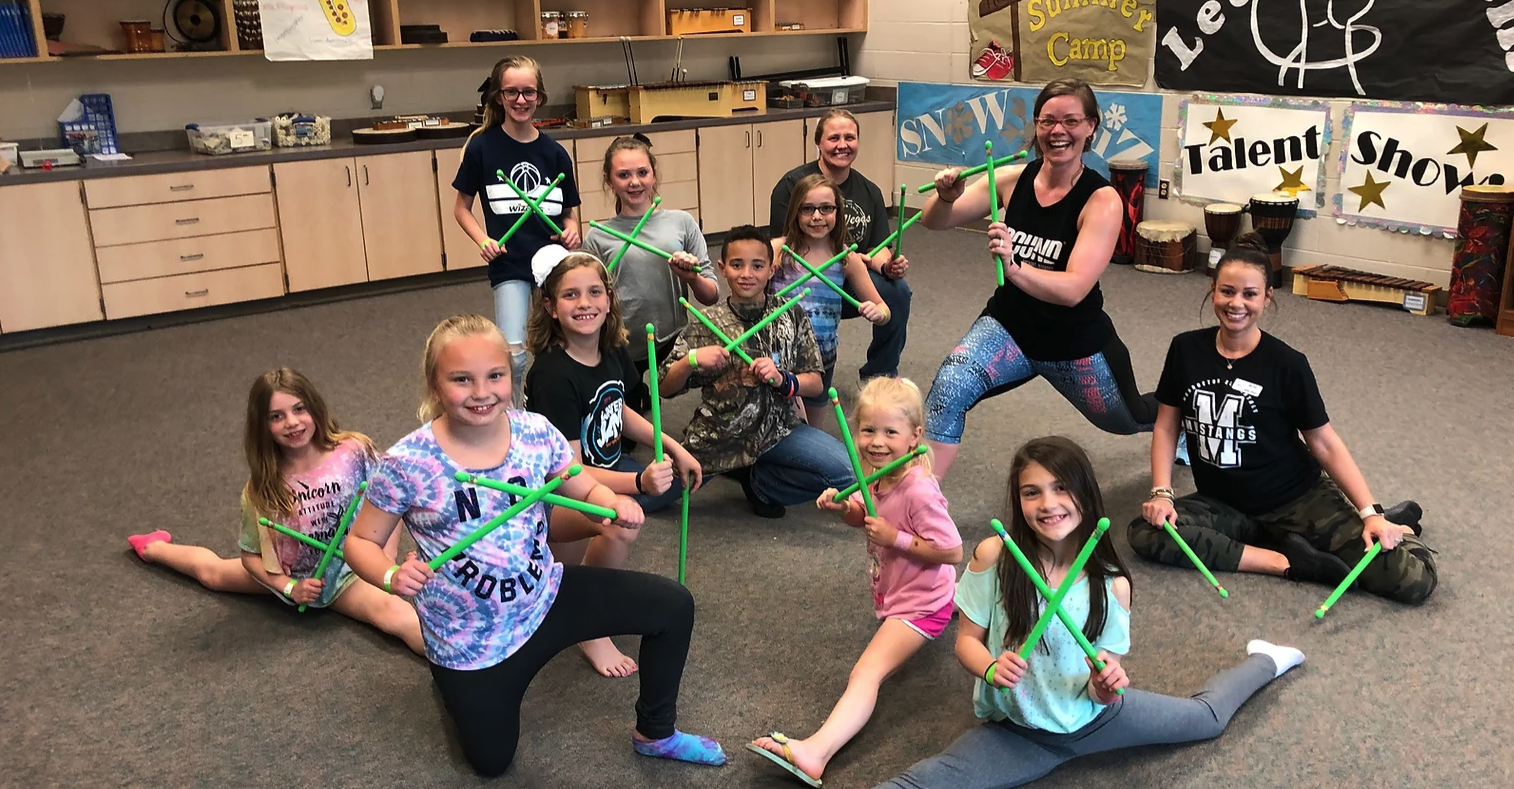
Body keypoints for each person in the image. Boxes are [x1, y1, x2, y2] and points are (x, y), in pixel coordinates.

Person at [343, 315, 725, 777]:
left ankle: (656, 733)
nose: (481, 392)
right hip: (472, 640)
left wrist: (610, 502)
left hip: (545, 597)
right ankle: (448, 683)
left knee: (673, 607)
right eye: (462, 379)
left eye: (495, 376)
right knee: (492, 762)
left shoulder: (534, 431)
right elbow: (361, 541)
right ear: (435, 385)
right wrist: (389, 576)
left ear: (511, 377)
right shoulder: (407, 463)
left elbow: (577, 483)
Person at [875, 436, 1305, 789]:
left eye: (1062, 487)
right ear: (1018, 500)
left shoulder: (1112, 585)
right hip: (1019, 733)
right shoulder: (996, 556)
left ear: (1087, 494)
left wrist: (1107, 684)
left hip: (1098, 718)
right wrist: (989, 669)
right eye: (1032, 492)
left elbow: (1104, 684)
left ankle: (1266, 658)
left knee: (1207, 719)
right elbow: (966, 641)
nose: (1048, 503)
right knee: (922, 783)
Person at [1127, 234, 1437, 602]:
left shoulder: (1288, 364)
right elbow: (1166, 425)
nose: (1236, 303)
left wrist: (1369, 513)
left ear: (1267, 297)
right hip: (1224, 503)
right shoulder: (1185, 349)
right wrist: (1162, 494)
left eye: (1249, 294)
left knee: (1413, 580)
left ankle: (1396, 524)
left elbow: (1323, 442)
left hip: (1297, 500)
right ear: (1212, 291)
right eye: (1227, 291)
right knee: (1146, 532)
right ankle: (1286, 559)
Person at [918, 78, 1163, 480]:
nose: (1057, 131)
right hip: (1008, 329)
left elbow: (1073, 290)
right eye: (1047, 121)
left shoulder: (1101, 200)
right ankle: (922, 503)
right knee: (947, 392)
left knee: (1129, 419)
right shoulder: (1010, 180)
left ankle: (1185, 419)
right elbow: (933, 223)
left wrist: (1014, 268)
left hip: (1074, 343)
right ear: (1036, 126)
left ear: (1091, 127)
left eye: (1070, 120)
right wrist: (946, 197)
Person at [748, 377, 961, 786]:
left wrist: (894, 538)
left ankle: (816, 752)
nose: (876, 442)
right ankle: (958, 600)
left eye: (889, 433)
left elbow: (951, 550)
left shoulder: (919, 491)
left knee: (866, 673)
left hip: (921, 604)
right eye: (868, 430)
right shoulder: (881, 474)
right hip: (899, 588)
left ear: (916, 436)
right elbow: (861, 517)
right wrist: (842, 506)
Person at [126, 368, 422, 654]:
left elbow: (389, 502)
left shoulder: (354, 451)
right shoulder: (262, 488)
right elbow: (251, 557)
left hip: (349, 574)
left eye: (299, 409)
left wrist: (383, 558)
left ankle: (459, 663)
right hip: (291, 577)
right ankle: (152, 548)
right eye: (277, 417)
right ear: (262, 426)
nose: (292, 422)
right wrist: (289, 587)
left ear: (315, 409)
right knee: (212, 574)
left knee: (394, 613)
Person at [522, 248, 705, 677]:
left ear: (609, 299)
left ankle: (568, 589)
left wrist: (672, 446)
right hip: (547, 497)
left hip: (592, 482)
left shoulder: (613, 351)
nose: (584, 304)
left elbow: (619, 409)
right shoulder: (553, 377)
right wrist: (637, 482)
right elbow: (569, 473)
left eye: (593, 293)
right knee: (621, 520)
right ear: (550, 306)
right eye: (570, 295)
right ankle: (589, 625)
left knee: (677, 479)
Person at [657, 224, 854, 518]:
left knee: (847, 475)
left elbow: (815, 382)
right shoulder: (705, 321)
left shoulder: (790, 313)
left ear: (771, 271)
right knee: (649, 498)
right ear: (722, 268)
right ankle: (736, 465)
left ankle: (760, 482)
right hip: (717, 437)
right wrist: (692, 360)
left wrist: (783, 379)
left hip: (780, 429)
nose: (747, 274)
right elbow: (664, 387)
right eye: (737, 265)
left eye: (757, 266)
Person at [451, 55, 582, 392]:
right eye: (512, 93)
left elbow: (570, 212)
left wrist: (572, 230)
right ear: (499, 97)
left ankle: (557, 411)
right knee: (513, 356)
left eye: (528, 92)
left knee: (563, 349)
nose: (521, 100)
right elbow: (461, 208)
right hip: (509, 262)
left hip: (553, 263)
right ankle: (513, 421)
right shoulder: (482, 148)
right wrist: (483, 240)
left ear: (540, 97)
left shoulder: (555, 153)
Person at [581, 133, 719, 419]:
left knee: (712, 382)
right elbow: (590, 296)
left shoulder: (681, 222)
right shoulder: (598, 235)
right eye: (623, 175)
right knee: (626, 428)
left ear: (653, 174)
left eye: (642, 172)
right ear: (610, 181)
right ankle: (636, 395)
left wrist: (692, 276)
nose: (635, 182)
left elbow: (711, 295)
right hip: (621, 338)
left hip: (672, 334)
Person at [770, 108, 912, 381]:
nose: (842, 145)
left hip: (850, 273)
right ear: (818, 143)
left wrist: (888, 266)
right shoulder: (791, 185)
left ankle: (879, 374)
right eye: (834, 138)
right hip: (803, 280)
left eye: (850, 137)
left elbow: (878, 247)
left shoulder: (870, 191)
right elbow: (781, 246)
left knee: (898, 293)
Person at [770, 173, 891, 410]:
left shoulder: (847, 259)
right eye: (807, 209)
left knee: (812, 434)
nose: (817, 216)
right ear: (795, 211)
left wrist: (878, 314)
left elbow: (883, 307)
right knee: (780, 425)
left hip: (821, 358)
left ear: (838, 212)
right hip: (779, 356)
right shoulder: (778, 250)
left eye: (826, 208)